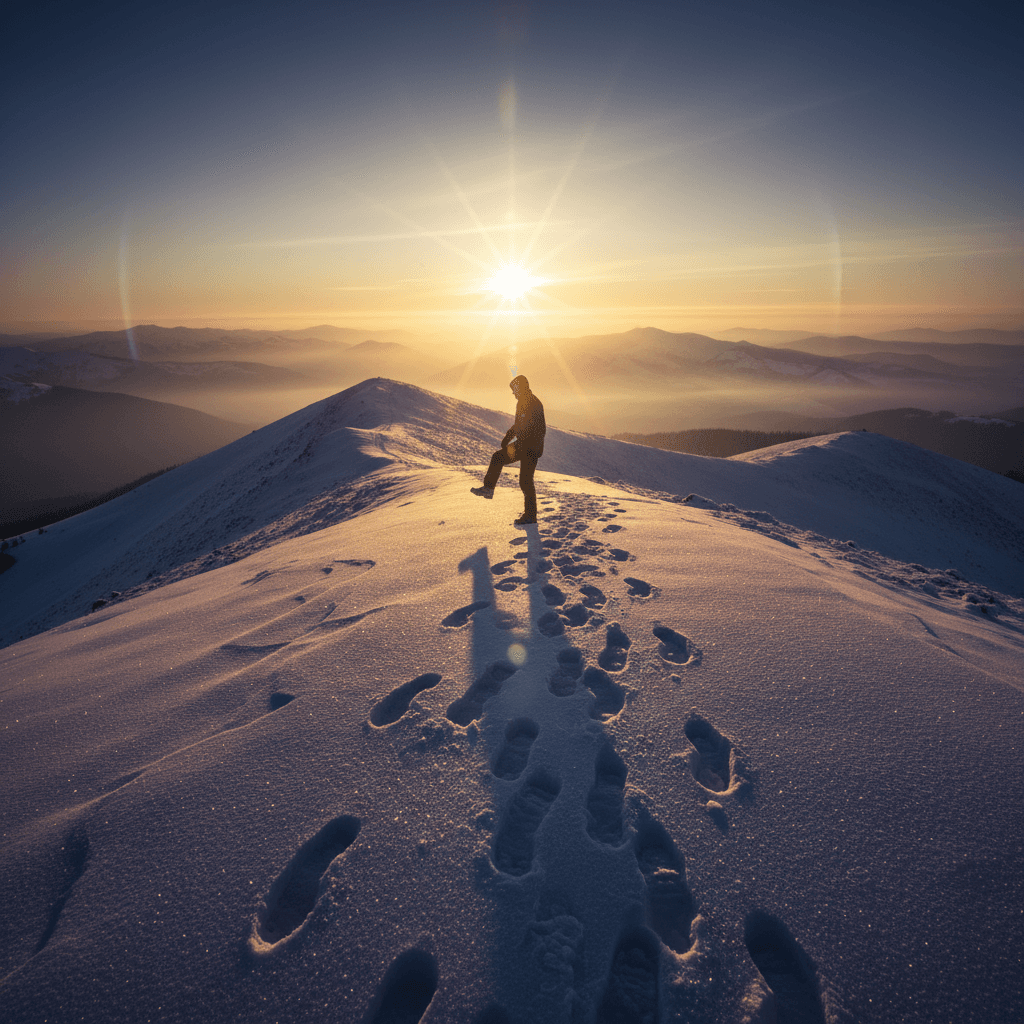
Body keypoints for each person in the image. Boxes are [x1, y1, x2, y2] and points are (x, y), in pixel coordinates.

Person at [471, 374, 546, 526]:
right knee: (499, 459)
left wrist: (523, 442)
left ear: (521, 388)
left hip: (530, 448)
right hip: (524, 445)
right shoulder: (523, 402)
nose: (513, 393)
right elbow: (519, 424)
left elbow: (538, 429)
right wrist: (509, 436)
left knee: (525, 481)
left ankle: (530, 516)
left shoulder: (532, 403)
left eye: (514, 390)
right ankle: (488, 488)